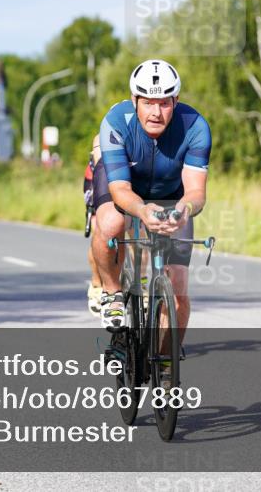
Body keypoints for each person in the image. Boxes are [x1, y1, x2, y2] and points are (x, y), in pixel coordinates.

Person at [89, 59, 211, 347]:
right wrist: (142, 210)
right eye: (148, 103)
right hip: (124, 183)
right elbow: (120, 189)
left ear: (176, 101)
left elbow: (196, 192)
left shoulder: (195, 126)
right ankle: (112, 292)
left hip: (172, 194)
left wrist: (184, 210)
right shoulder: (116, 122)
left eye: (164, 103)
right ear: (135, 100)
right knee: (111, 222)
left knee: (178, 288)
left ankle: (166, 363)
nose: (156, 112)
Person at [84, 133, 103, 316]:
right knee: (99, 228)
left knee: (139, 230)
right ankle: (97, 284)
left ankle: (142, 280)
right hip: (98, 176)